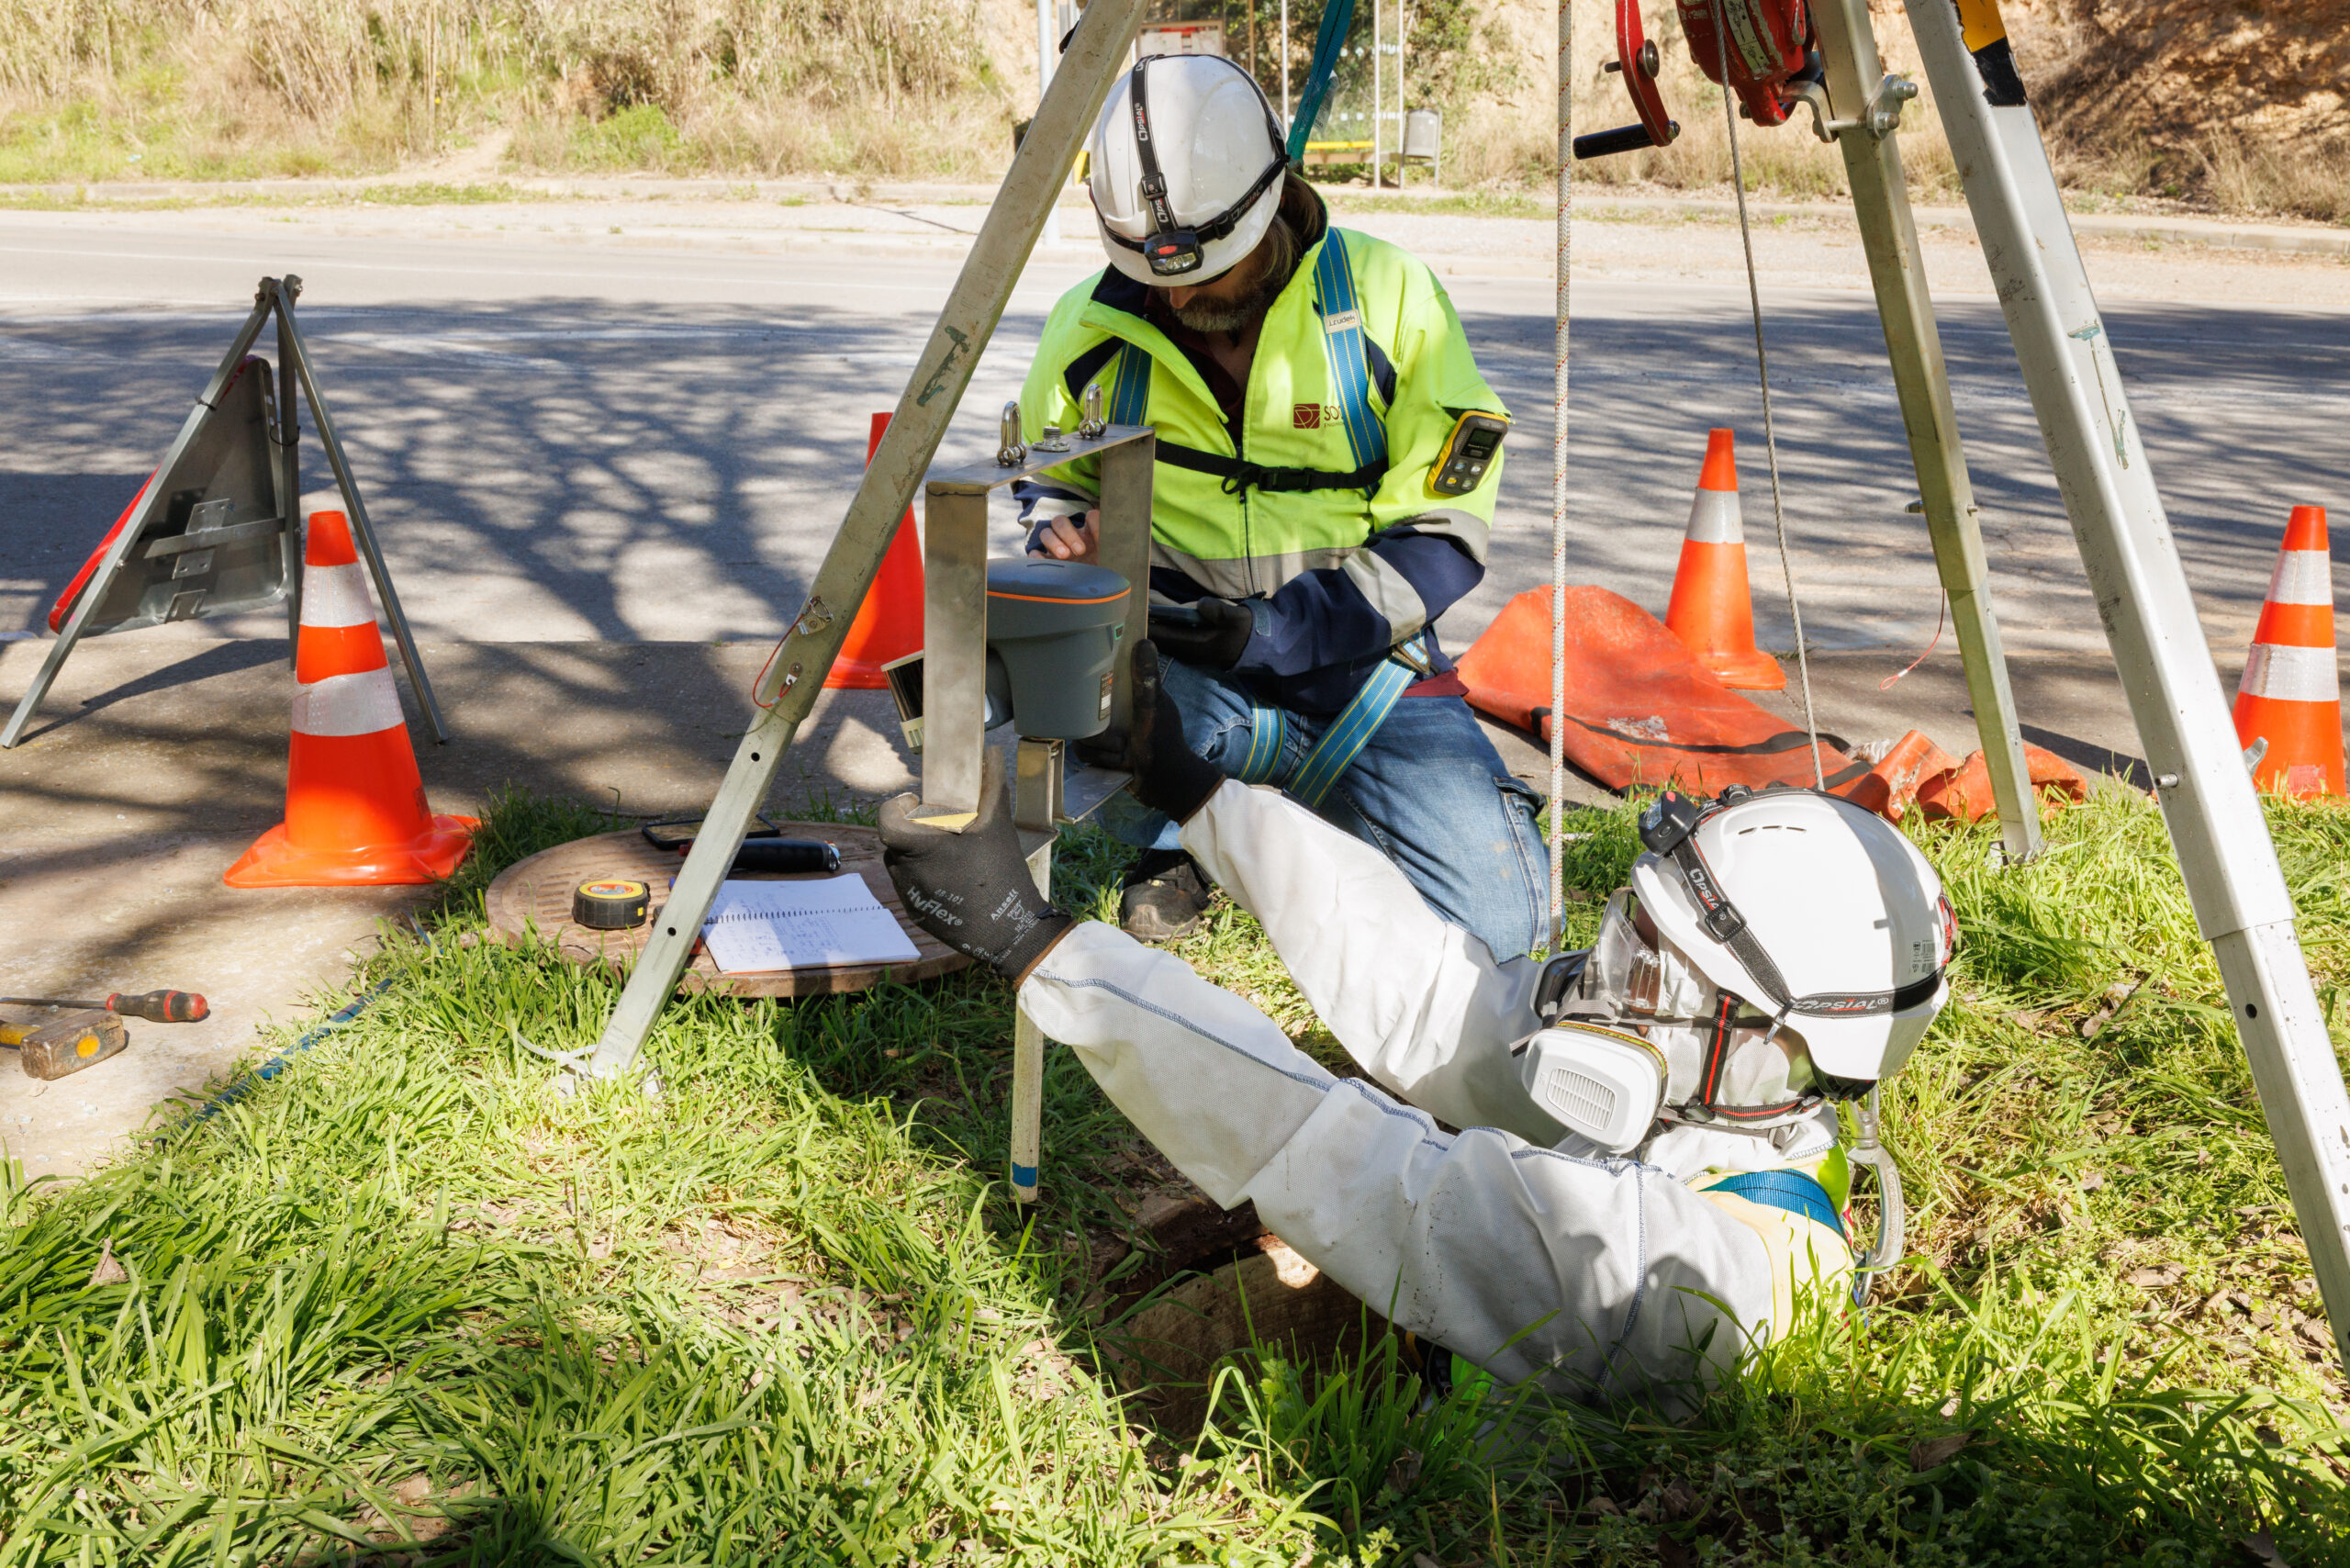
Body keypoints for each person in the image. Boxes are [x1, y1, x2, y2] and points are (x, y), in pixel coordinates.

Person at [878, 648, 1956, 1404]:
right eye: (1629, 933)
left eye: (1651, 969)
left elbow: (1362, 1172)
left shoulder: (1690, 1277)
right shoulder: (1709, 1105)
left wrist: (1040, 947)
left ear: (1769, 1034)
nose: (1603, 982)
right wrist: (1200, 796)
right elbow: (1436, 1003)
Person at [1014, 51, 1546, 957]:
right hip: (1183, 668)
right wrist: (1061, 536)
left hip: (1364, 671)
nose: (1179, 297)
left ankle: (1269, 801)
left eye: (1207, 270)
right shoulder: (1087, 330)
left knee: (1505, 927)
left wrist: (1279, 632)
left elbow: (1443, 533)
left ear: (1270, 204)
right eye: (1158, 276)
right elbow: (1048, 480)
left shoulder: (1390, 302)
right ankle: (1178, 831)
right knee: (1072, 728)